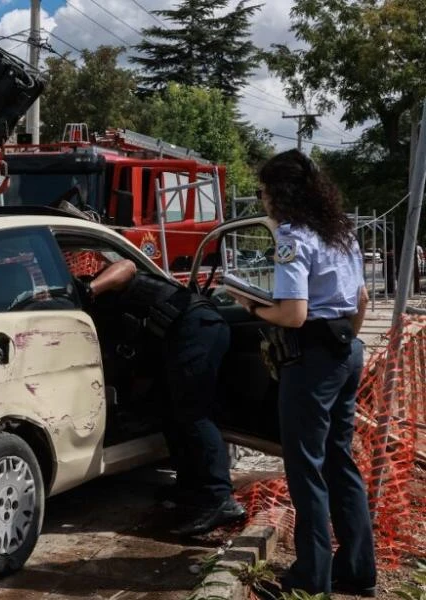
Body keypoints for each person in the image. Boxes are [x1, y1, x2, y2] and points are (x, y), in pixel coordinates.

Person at [229, 149, 375, 597]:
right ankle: (357, 572)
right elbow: (363, 300)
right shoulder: (341, 232)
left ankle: (311, 578)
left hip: (310, 361)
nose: (263, 200)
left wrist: (248, 302)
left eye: (264, 191)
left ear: (280, 194)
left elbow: (293, 314)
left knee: (305, 467)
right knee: (339, 463)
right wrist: (342, 344)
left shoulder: (293, 238)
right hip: (345, 353)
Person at [81, 257, 245, 536]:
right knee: (171, 413)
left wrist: (90, 288)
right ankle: (191, 488)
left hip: (196, 326)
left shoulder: (103, 288)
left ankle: (220, 498)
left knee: (193, 413)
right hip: (181, 336)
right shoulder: (109, 320)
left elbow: (128, 265)